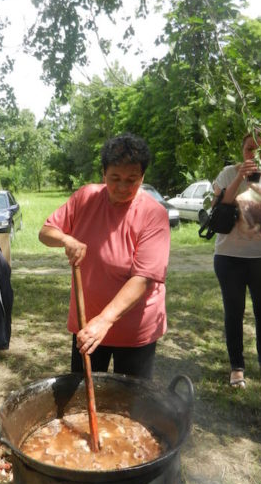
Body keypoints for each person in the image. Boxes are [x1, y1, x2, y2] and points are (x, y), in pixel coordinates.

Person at [38, 133, 170, 379]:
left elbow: (143, 278)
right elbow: (46, 233)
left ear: (142, 177)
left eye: (132, 180)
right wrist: (65, 239)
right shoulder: (85, 198)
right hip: (86, 324)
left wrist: (105, 321)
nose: (122, 187)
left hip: (134, 330)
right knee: (82, 399)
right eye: (115, 178)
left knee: (130, 407)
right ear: (103, 173)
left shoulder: (154, 215)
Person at [212, 129, 261, 391]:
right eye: (249, 149)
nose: (255, 155)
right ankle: (237, 368)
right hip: (229, 257)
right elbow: (220, 205)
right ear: (242, 150)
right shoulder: (227, 173)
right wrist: (238, 177)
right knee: (233, 313)